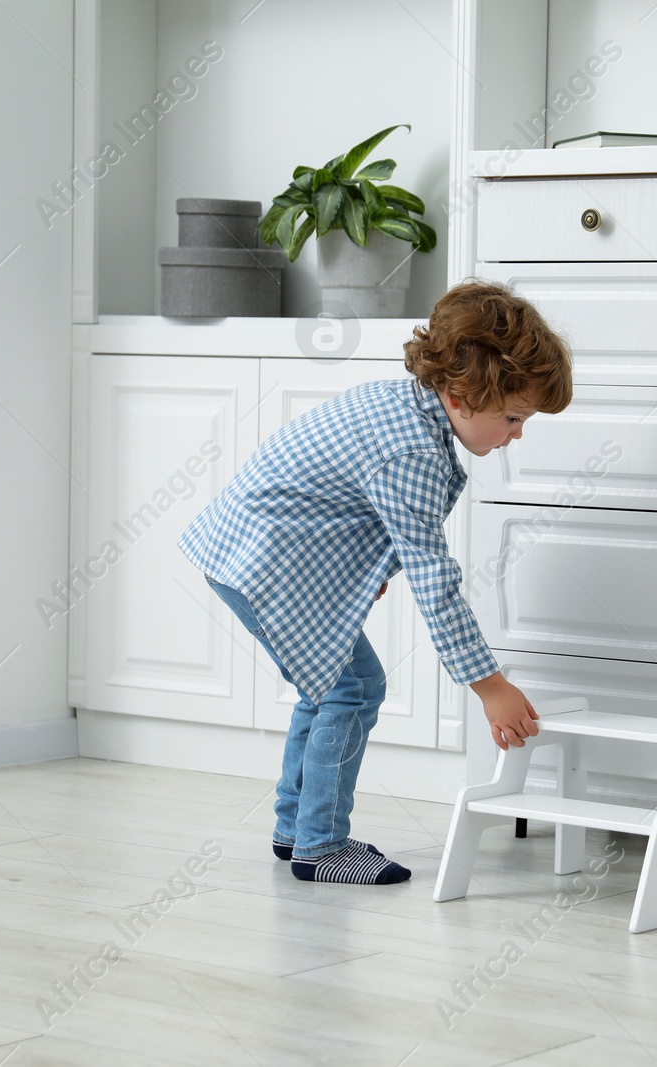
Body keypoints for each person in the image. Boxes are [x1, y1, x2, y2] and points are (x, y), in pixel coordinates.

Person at [178, 280, 573, 885]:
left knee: (328, 687)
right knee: (355, 687)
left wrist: (360, 572)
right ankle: (322, 846)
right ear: (463, 393)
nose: (517, 433)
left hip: (259, 556)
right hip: (263, 564)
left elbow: (343, 506)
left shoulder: (403, 405)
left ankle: (298, 831)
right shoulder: (410, 451)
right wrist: (489, 685)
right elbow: (433, 577)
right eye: (514, 417)